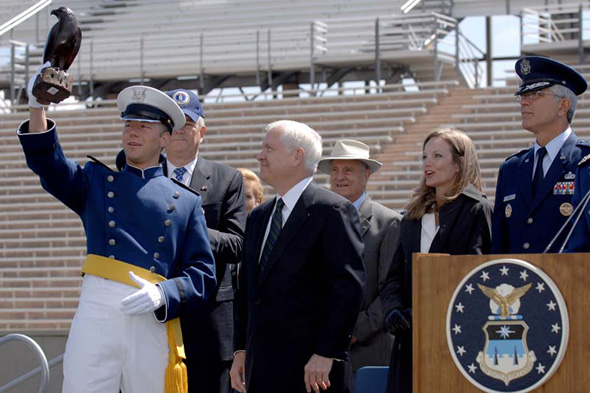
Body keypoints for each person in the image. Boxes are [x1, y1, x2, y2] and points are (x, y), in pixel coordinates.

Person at [18, 76, 217, 393]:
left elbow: (203, 274)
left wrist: (165, 294)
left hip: (151, 312)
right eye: (128, 125)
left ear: (165, 139)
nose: (133, 132)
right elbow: (48, 163)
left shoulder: (186, 201)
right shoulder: (95, 181)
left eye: (144, 126)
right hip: (97, 311)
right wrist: (37, 106)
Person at [230, 120, 365, 393]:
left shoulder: (332, 211)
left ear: (297, 156)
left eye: (269, 147)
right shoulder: (259, 217)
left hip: (311, 373)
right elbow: (248, 290)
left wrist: (327, 352)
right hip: (262, 369)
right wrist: (241, 350)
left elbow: (347, 288)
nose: (260, 155)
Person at [381, 128, 492, 393]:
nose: (427, 163)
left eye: (437, 156)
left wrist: (425, 313)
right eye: (424, 156)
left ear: (458, 164)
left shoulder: (478, 210)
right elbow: (394, 276)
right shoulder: (412, 215)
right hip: (409, 342)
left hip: (458, 342)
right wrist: (393, 310)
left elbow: (476, 275)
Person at [164, 88, 246, 393]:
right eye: (173, 123)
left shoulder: (228, 179)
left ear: (202, 131)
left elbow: (237, 244)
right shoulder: (142, 176)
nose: (180, 131)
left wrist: (188, 226)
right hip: (153, 321)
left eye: (188, 123)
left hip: (208, 325)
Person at [317, 139, 401, 373]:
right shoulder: (318, 221)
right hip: (320, 353)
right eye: (334, 170)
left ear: (367, 174)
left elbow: (390, 292)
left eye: (348, 170)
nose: (339, 176)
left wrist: (352, 331)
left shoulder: (389, 224)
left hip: (368, 353)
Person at [492, 56, 590, 254]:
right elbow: (499, 247)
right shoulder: (511, 168)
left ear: (563, 106)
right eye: (522, 96)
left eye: (535, 94)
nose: (524, 103)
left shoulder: (585, 162)